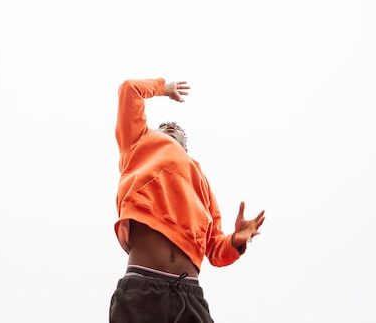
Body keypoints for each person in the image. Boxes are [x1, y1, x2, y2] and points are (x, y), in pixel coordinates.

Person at [109, 78, 265, 323]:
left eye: (176, 128)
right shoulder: (138, 143)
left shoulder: (200, 180)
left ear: (185, 145)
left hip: (190, 297)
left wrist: (235, 241)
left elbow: (214, 249)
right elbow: (130, 89)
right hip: (143, 287)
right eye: (163, 126)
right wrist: (165, 88)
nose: (170, 125)